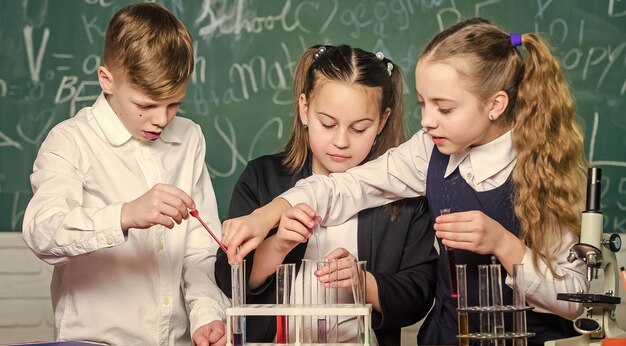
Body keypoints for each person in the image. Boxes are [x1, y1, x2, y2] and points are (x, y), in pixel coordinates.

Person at [221, 18, 590, 345]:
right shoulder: (429, 151)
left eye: (444, 108)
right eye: (423, 104)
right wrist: (267, 215)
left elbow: (577, 298)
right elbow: (343, 186)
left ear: (495, 105)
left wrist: (502, 243)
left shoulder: (546, 170)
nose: (428, 120)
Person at [22, 3, 229, 345]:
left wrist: (206, 314)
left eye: (174, 104)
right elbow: (42, 232)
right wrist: (125, 215)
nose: (161, 120)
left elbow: (199, 249)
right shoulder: (70, 140)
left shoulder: (189, 138)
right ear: (107, 80)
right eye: (146, 105)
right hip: (92, 341)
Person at [214, 44, 437, 345]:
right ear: (304, 109)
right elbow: (229, 280)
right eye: (328, 124)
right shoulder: (262, 178)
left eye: (359, 129)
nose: (341, 141)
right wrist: (278, 245)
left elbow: (420, 292)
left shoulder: (403, 196)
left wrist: (364, 283)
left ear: (383, 121)